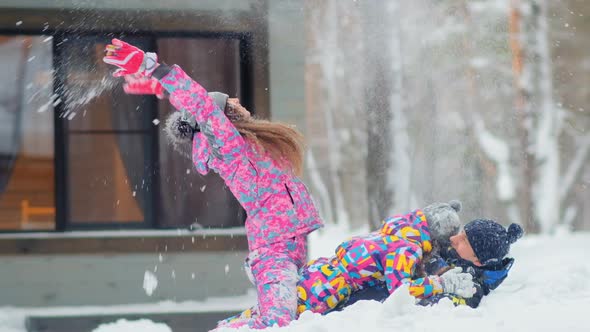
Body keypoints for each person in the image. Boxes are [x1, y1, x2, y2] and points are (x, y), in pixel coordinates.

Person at [103, 39, 324, 329]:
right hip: (274, 252)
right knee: (277, 324)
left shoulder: (250, 146)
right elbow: (202, 105)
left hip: (290, 243)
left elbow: (200, 106)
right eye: (231, 103)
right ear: (222, 120)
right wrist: (153, 68)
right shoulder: (230, 149)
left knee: (288, 319)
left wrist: (160, 88)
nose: (239, 104)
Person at [219, 200, 480, 326]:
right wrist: (440, 283)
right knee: (273, 323)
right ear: (436, 238)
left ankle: (226, 327)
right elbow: (401, 290)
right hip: (324, 290)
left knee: (260, 313)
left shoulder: (397, 229)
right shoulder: (406, 249)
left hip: (316, 273)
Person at [340, 218, 524, 309]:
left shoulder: (469, 286)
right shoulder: (446, 251)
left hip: (365, 307)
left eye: (464, 240)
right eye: (460, 232)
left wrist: (435, 281)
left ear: (478, 260)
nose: (453, 238)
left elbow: (428, 305)